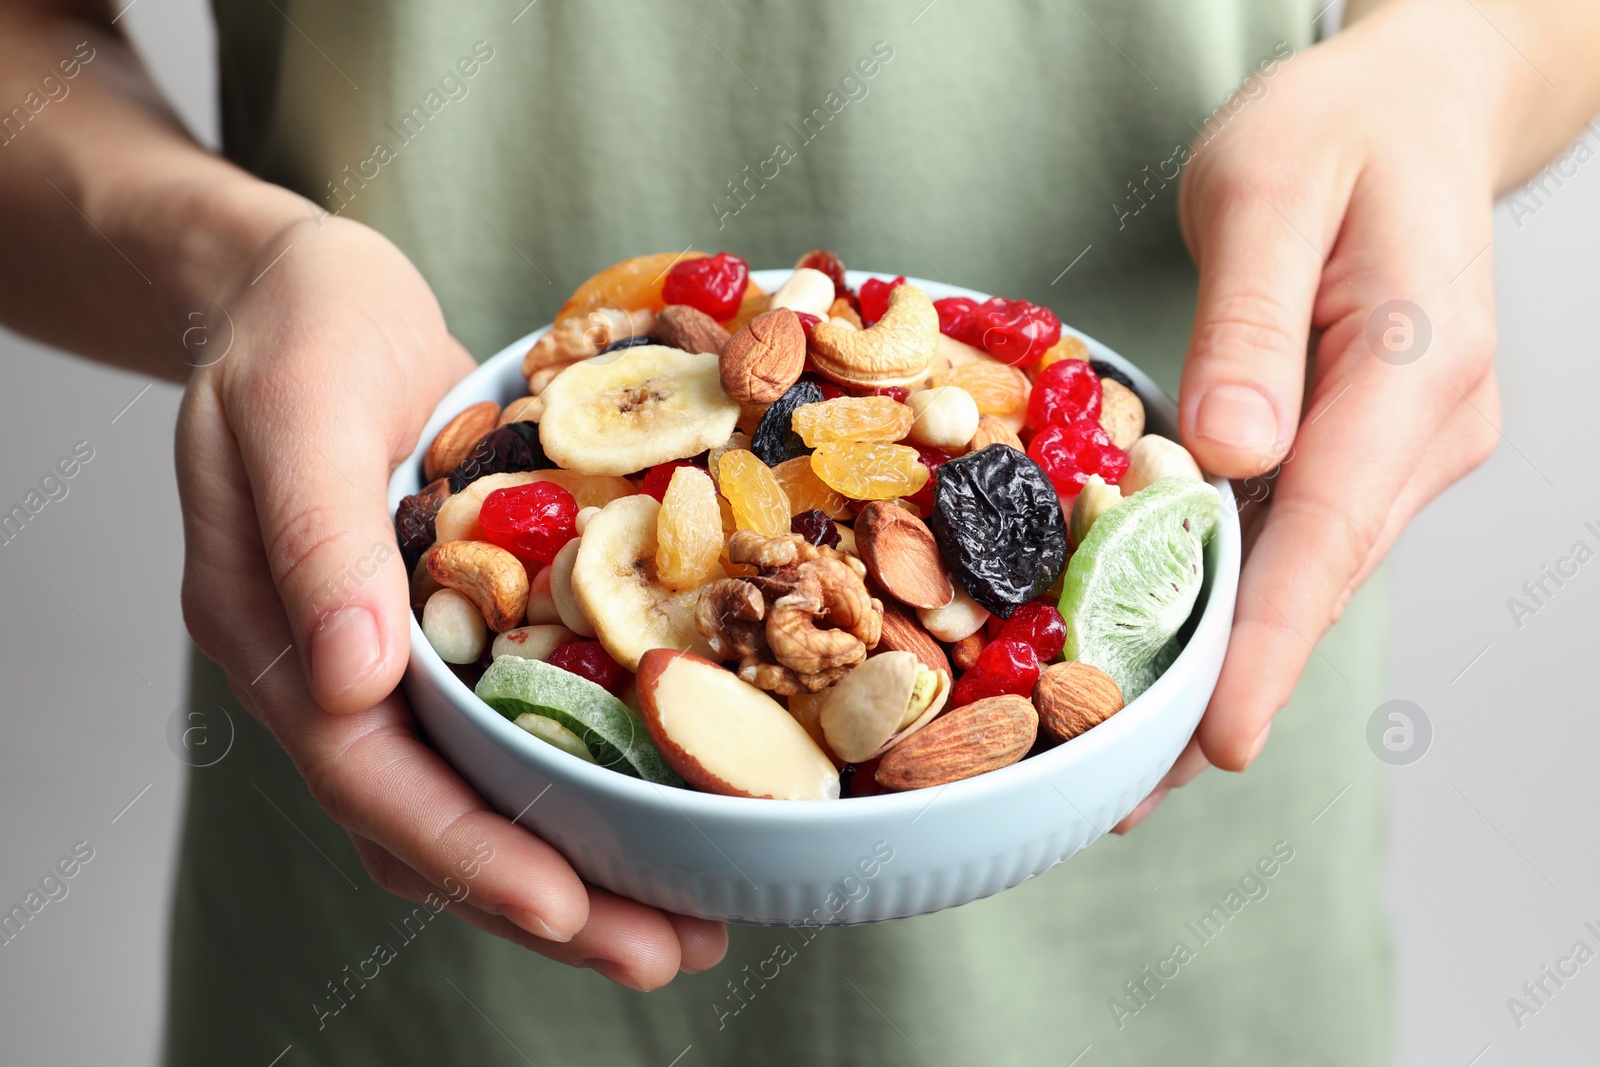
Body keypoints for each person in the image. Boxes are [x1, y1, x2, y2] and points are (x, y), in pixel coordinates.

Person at [2, 0, 1595, 1062]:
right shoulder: (600, 490)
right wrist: (227, 269)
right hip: (422, 837)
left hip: (1165, 842)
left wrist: (1444, 77)